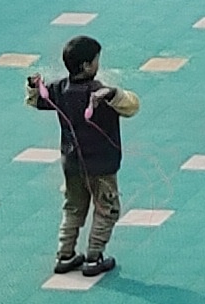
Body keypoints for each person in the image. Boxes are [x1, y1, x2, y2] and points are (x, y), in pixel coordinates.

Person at [27, 34, 139, 278]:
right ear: (87, 66)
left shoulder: (59, 88)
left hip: (72, 164)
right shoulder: (99, 92)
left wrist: (34, 87)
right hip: (101, 165)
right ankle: (94, 256)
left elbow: (37, 101)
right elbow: (131, 106)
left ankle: (65, 254)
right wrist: (112, 93)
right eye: (97, 60)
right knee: (107, 209)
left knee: (73, 207)